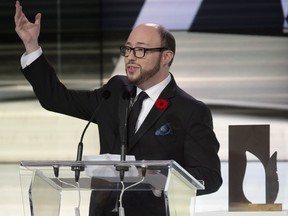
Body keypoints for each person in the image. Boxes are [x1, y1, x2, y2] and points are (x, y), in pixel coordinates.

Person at [15, 1, 222, 215]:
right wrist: (32, 46)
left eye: (141, 50)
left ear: (166, 57)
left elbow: (210, 177)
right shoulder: (114, 92)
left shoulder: (190, 111)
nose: (130, 56)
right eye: (128, 49)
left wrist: (158, 178)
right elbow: (55, 99)